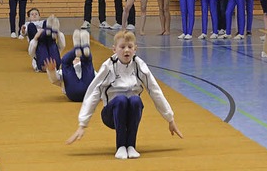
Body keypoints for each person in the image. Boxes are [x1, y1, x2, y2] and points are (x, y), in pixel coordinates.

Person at [66, 31, 183, 159]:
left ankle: (131, 146)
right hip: (111, 114)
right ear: (114, 49)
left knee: (135, 100)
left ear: (135, 49)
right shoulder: (108, 66)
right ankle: (121, 146)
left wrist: (170, 119)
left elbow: (155, 90)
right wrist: (82, 124)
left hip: (131, 113)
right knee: (121, 99)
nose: (126, 50)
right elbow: (93, 92)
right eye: (122, 47)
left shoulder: (139, 66)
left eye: (130, 47)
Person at [44, 29, 94, 102]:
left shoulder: (69, 68)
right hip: (86, 93)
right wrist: (52, 71)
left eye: (78, 58)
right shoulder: (64, 71)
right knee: (87, 62)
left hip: (77, 93)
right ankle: (85, 49)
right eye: (75, 59)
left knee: (65, 62)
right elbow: (56, 79)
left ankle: (77, 49)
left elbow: (99, 80)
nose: (77, 60)